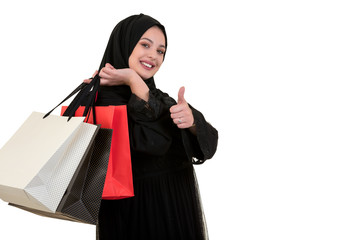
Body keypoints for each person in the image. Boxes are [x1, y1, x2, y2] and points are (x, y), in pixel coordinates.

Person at [84, 14, 218, 240]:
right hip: (139, 214)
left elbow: (210, 143)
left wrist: (192, 121)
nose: (153, 56)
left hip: (177, 207)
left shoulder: (158, 97)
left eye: (160, 51)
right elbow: (152, 143)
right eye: (145, 44)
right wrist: (133, 81)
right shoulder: (105, 100)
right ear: (125, 43)